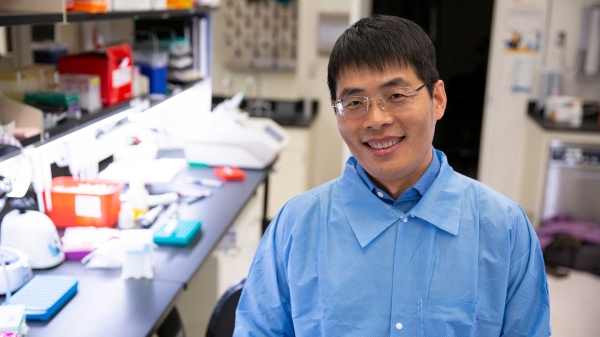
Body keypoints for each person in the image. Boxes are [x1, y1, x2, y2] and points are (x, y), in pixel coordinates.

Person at [234, 15, 550, 336]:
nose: (376, 119)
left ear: (437, 99)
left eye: (396, 95)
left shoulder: (504, 229)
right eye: (354, 102)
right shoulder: (295, 227)